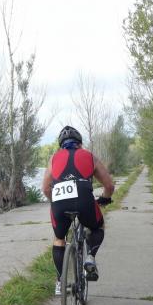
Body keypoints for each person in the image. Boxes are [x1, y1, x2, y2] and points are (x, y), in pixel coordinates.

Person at [42, 125, 115, 295]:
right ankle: (90, 256)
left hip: (59, 201)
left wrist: (56, 202)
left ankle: (60, 282)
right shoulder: (89, 156)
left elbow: (45, 189)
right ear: (80, 144)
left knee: (59, 238)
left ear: (61, 145)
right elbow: (109, 186)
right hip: (84, 199)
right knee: (98, 227)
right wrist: (104, 199)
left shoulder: (54, 158)